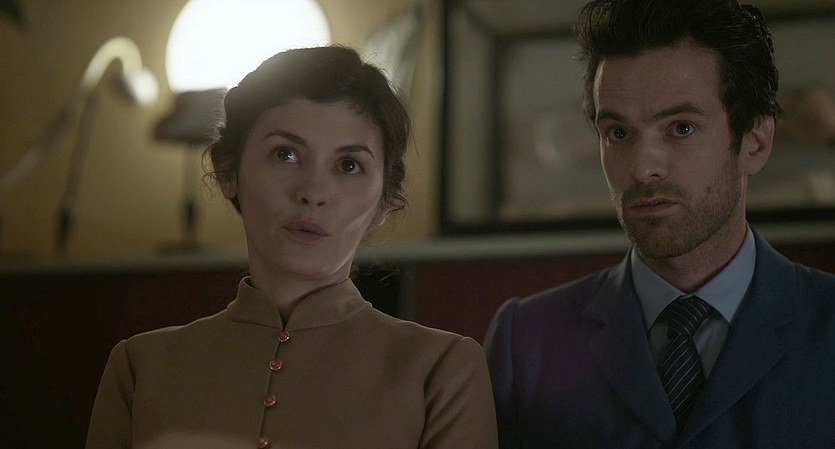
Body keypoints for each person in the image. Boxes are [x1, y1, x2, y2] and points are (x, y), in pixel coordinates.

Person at [86, 46, 498, 449]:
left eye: (349, 165)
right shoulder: (141, 366)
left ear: (384, 202)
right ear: (228, 171)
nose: (313, 192)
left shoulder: (441, 370)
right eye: (285, 154)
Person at [484, 0, 835, 447]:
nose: (642, 168)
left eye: (681, 128)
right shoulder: (526, 340)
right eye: (618, 133)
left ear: (755, 143)